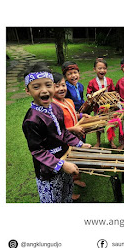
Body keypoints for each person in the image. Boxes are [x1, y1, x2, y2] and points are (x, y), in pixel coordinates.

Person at [22, 63, 91, 203]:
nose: (44, 91)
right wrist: (61, 165)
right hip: (48, 171)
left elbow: (63, 132)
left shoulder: (56, 108)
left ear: (53, 86)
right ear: (27, 91)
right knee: (53, 200)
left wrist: (79, 144)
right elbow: (37, 151)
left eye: (48, 85)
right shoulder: (31, 120)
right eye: (36, 87)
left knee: (66, 194)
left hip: (66, 159)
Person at [52, 72, 91, 200]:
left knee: (75, 164)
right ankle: (68, 193)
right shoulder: (52, 106)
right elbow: (54, 130)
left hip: (74, 139)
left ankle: (75, 180)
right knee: (65, 170)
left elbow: (73, 113)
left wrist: (81, 116)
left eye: (63, 85)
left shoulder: (68, 101)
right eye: (56, 86)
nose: (61, 88)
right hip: (63, 142)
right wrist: (73, 128)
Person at [86, 58, 115, 147]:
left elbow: (113, 91)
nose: (102, 70)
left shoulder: (109, 81)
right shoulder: (92, 82)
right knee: (98, 125)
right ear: (94, 69)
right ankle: (98, 141)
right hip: (97, 108)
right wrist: (91, 97)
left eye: (104, 68)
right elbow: (88, 93)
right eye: (99, 68)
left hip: (108, 107)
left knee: (110, 124)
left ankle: (111, 141)